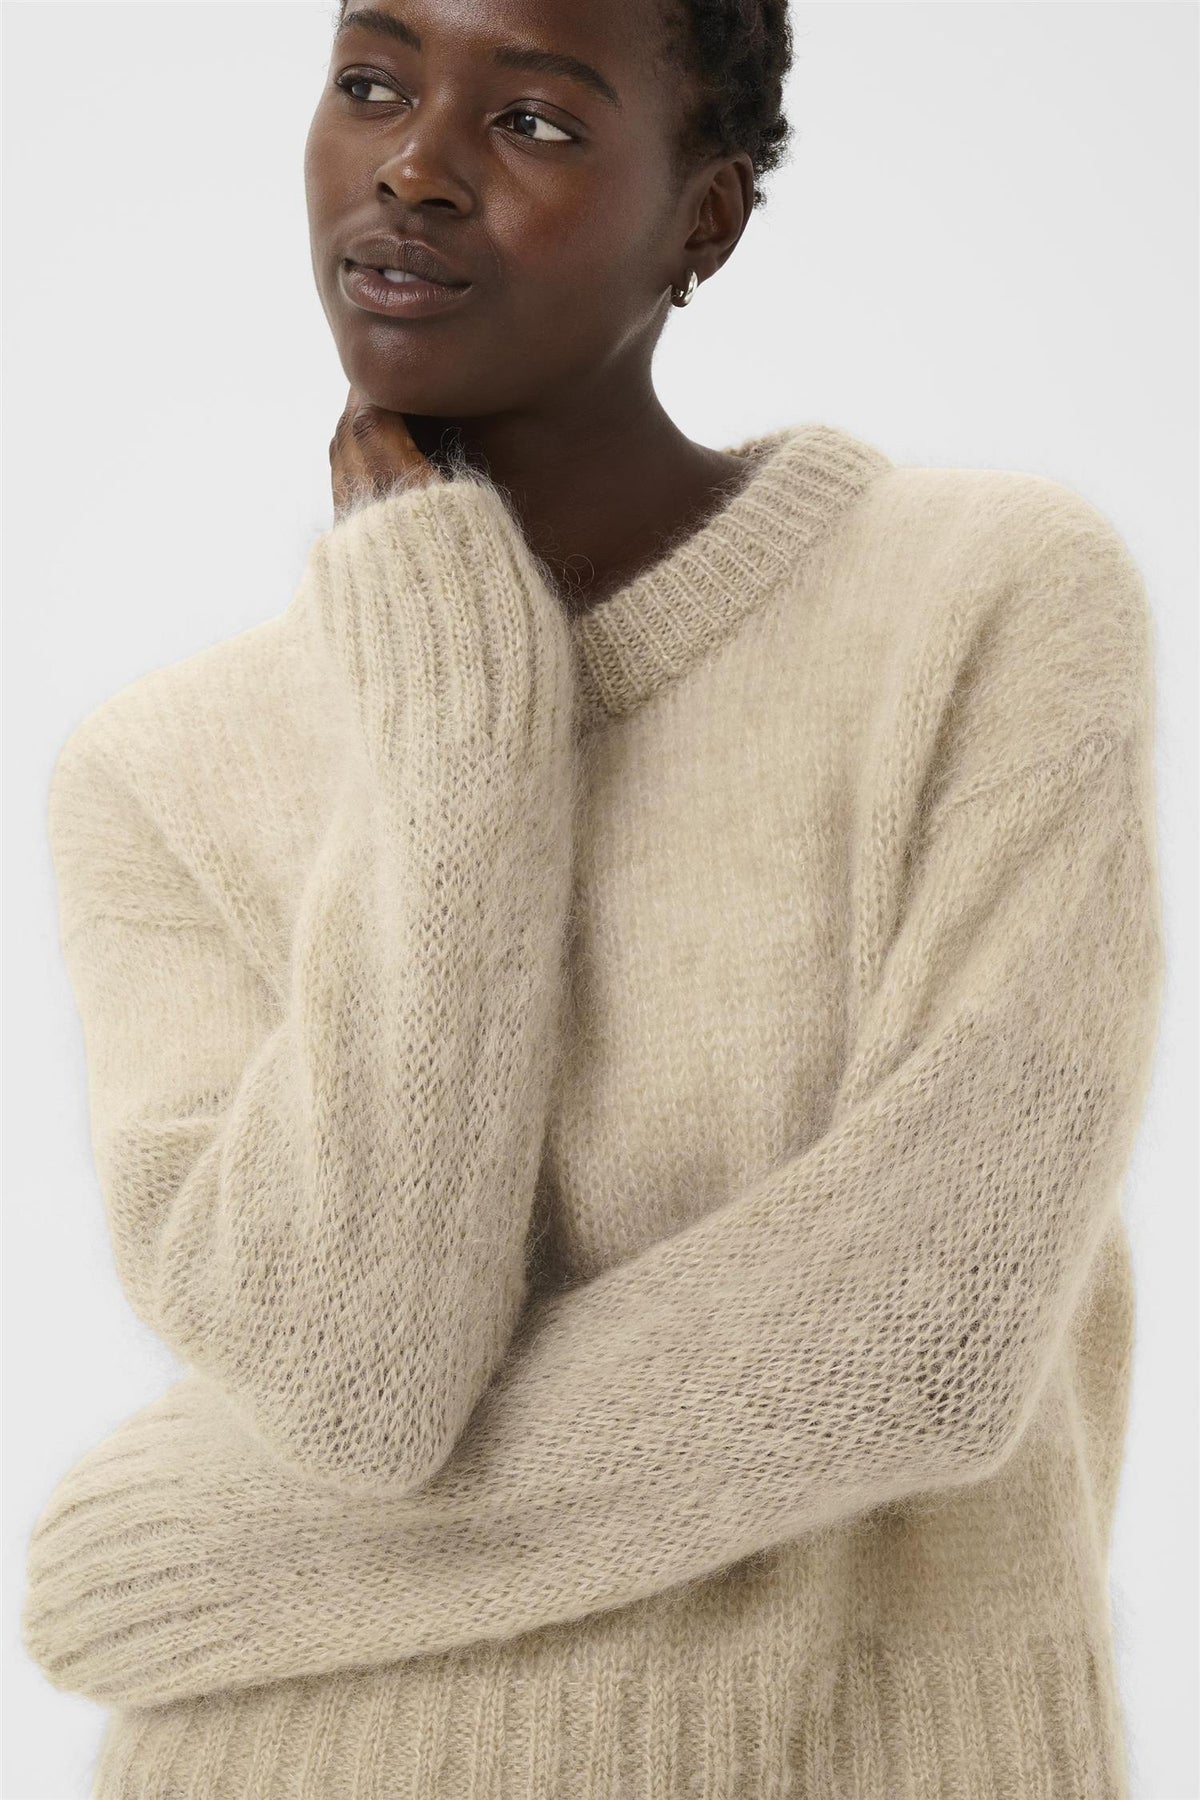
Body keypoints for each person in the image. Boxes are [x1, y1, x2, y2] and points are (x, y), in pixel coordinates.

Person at [22, 0, 1165, 1795]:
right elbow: (352, 1379)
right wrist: (455, 715)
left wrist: (201, 1550)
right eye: (372, 84)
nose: (413, 167)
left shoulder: (981, 601)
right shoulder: (157, 775)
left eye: (535, 121)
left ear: (703, 219)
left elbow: (925, 1334)